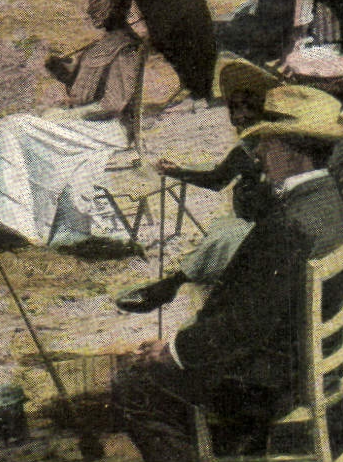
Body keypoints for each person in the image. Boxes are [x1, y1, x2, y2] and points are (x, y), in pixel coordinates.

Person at [111, 84, 343, 462]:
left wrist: (173, 351)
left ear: (290, 151)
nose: (259, 152)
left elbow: (242, 328)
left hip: (273, 383)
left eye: (266, 142)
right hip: (306, 365)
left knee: (134, 383)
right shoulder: (331, 204)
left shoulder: (289, 224)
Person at [0, 0, 144, 244]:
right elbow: (82, 93)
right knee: (13, 126)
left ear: (115, 0)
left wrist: (64, 116)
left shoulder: (127, 48)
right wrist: (61, 71)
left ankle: (20, 222)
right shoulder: (99, 46)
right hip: (89, 126)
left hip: (108, 131)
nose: (89, 8)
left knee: (14, 127)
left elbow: (111, 104)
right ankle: (18, 219)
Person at [116, 57, 280, 312]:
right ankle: (173, 285)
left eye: (248, 108)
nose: (240, 116)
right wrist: (178, 172)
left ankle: (171, 285)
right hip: (250, 221)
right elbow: (217, 179)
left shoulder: (277, 146)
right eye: (234, 109)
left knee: (227, 236)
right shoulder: (244, 150)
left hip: (267, 229)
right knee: (223, 232)